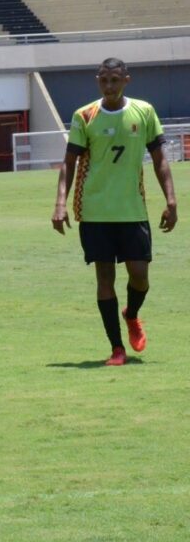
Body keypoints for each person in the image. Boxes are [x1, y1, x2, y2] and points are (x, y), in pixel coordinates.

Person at [51, 57, 177, 366]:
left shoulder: (144, 112)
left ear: (126, 80)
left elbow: (160, 160)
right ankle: (117, 348)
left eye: (115, 80)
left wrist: (171, 201)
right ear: (98, 81)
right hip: (94, 212)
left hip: (133, 210)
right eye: (104, 80)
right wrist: (59, 202)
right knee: (104, 278)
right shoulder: (85, 116)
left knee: (140, 276)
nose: (109, 86)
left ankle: (131, 314)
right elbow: (69, 163)